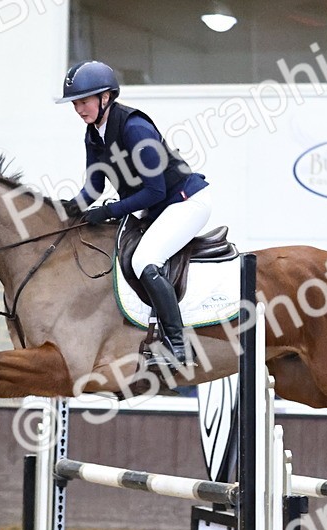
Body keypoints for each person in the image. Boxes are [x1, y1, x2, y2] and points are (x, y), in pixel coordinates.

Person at [56, 60, 212, 371]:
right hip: (154, 207)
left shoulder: (134, 128)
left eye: (84, 101)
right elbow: (94, 187)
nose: (79, 109)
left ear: (105, 97)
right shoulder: (93, 134)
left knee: (144, 260)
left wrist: (110, 211)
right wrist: (66, 211)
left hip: (185, 202)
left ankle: (179, 346)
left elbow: (154, 191)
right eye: (75, 103)